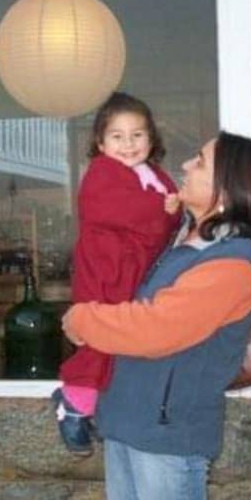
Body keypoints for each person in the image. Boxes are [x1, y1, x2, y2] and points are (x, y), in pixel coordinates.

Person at [62, 131, 251, 500]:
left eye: (199, 161)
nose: (184, 165)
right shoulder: (183, 238)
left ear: (226, 187)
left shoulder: (235, 260)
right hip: (126, 420)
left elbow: (154, 328)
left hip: (168, 431)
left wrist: (83, 319)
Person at [52, 92, 181, 456]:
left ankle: (92, 402)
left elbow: (169, 215)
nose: (128, 144)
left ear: (151, 138)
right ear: (100, 142)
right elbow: (135, 214)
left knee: (121, 339)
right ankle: (73, 403)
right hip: (105, 270)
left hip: (131, 271)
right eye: (117, 136)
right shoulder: (102, 174)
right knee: (98, 335)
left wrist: (172, 210)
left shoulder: (155, 175)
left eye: (137, 135)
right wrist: (166, 211)